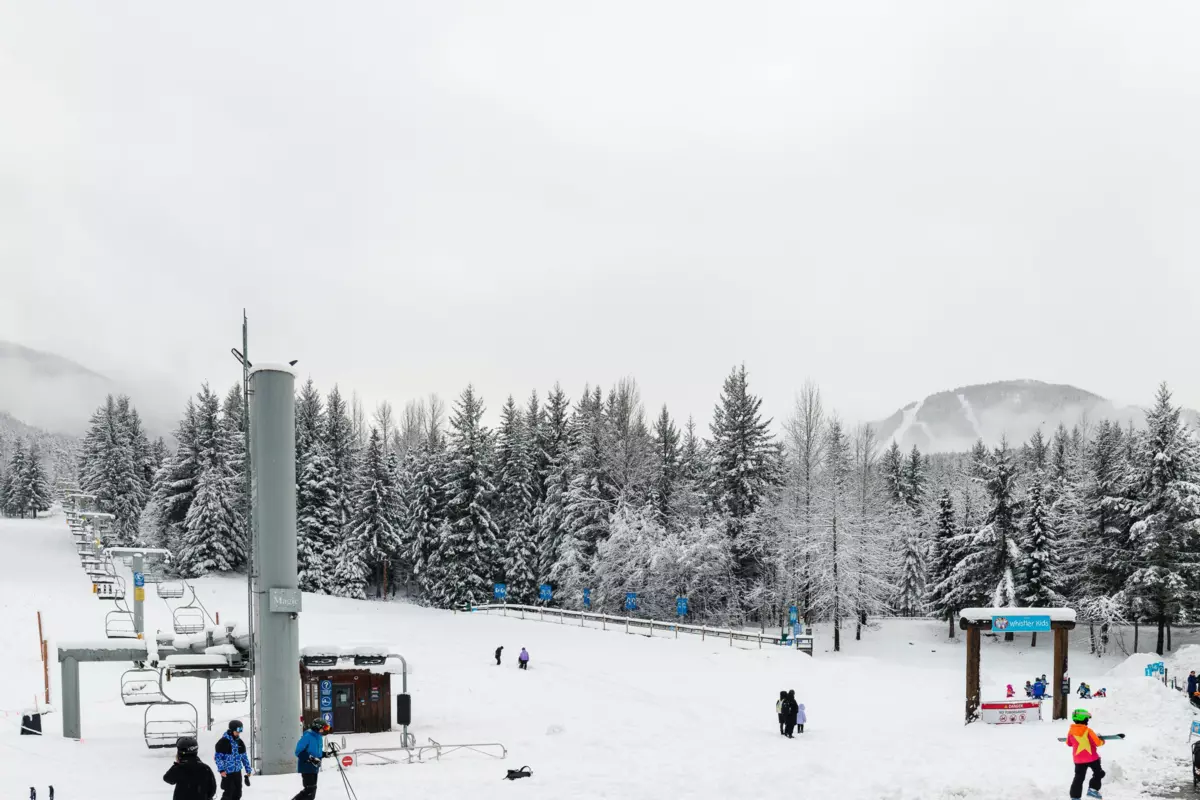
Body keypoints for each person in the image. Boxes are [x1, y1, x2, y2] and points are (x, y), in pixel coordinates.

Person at [1066, 708, 1105, 799]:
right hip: (1092, 758)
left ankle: (1075, 797)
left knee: (1078, 778)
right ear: (1084, 719)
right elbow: (1098, 743)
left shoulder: (1071, 731)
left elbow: (1068, 743)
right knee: (1099, 773)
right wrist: (1102, 740)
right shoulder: (1088, 731)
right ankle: (1093, 789)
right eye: (1087, 719)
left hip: (1078, 760)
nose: (1088, 721)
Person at [164, 735, 217, 800]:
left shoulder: (179, 768)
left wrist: (177, 763)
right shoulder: (205, 768)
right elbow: (212, 790)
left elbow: (167, 778)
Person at [292, 719, 330, 800]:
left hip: (314, 767)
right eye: (323, 728)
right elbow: (298, 751)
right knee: (310, 789)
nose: (324, 730)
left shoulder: (318, 737)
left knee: (312, 791)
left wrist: (325, 754)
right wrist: (311, 759)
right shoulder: (307, 736)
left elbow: (316, 753)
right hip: (306, 766)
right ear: (317, 727)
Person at [214, 719, 252, 800]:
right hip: (228, 773)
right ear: (232, 730)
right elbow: (218, 757)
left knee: (238, 793)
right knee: (228, 793)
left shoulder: (240, 743)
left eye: (240, 731)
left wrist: (248, 769)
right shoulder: (224, 742)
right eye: (237, 731)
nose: (238, 733)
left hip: (237, 772)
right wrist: (221, 769)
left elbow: (244, 757)